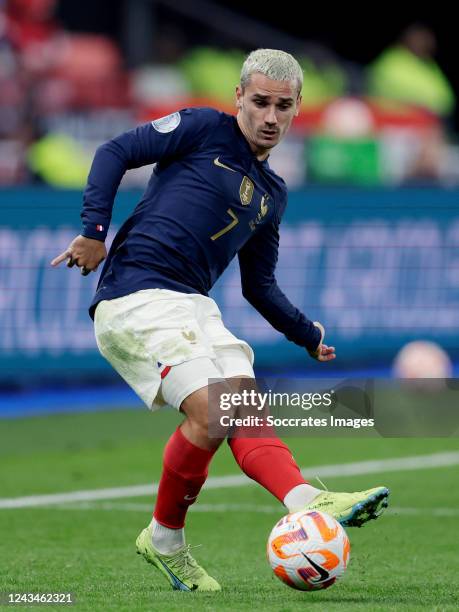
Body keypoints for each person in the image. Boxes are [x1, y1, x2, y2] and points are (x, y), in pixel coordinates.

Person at [51, 49, 389, 592]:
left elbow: (259, 286)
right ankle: (179, 534)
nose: (270, 117)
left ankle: (282, 507)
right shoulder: (203, 128)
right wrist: (94, 229)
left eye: (283, 106)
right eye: (260, 102)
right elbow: (116, 151)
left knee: (241, 406)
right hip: (137, 293)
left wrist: (307, 333)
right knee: (212, 412)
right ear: (239, 99)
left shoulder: (272, 196)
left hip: (193, 305)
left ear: (299, 108)